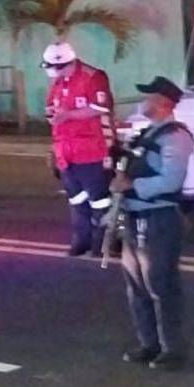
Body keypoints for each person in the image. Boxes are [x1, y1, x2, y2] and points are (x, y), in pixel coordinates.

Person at [111, 76, 194, 371]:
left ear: (163, 103)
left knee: (161, 284)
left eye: (148, 97)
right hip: (135, 216)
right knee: (136, 285)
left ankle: (173, 348)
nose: (142, 102)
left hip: (158, 217)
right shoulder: (148, 134)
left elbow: (171, 180)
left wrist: (132, 185)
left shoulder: (176, 137)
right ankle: (149, 343)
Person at [43, 41, 115, 257]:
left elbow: (100, 107)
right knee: (76, 199)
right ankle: (82, 240)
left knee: (100, 200)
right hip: (66, 151)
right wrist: (53, 119)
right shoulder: (57, 81)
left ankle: (104, 243)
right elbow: (50, 108)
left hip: (91, 149)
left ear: (66, 63)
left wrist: (68, 115)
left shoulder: (93, 77)